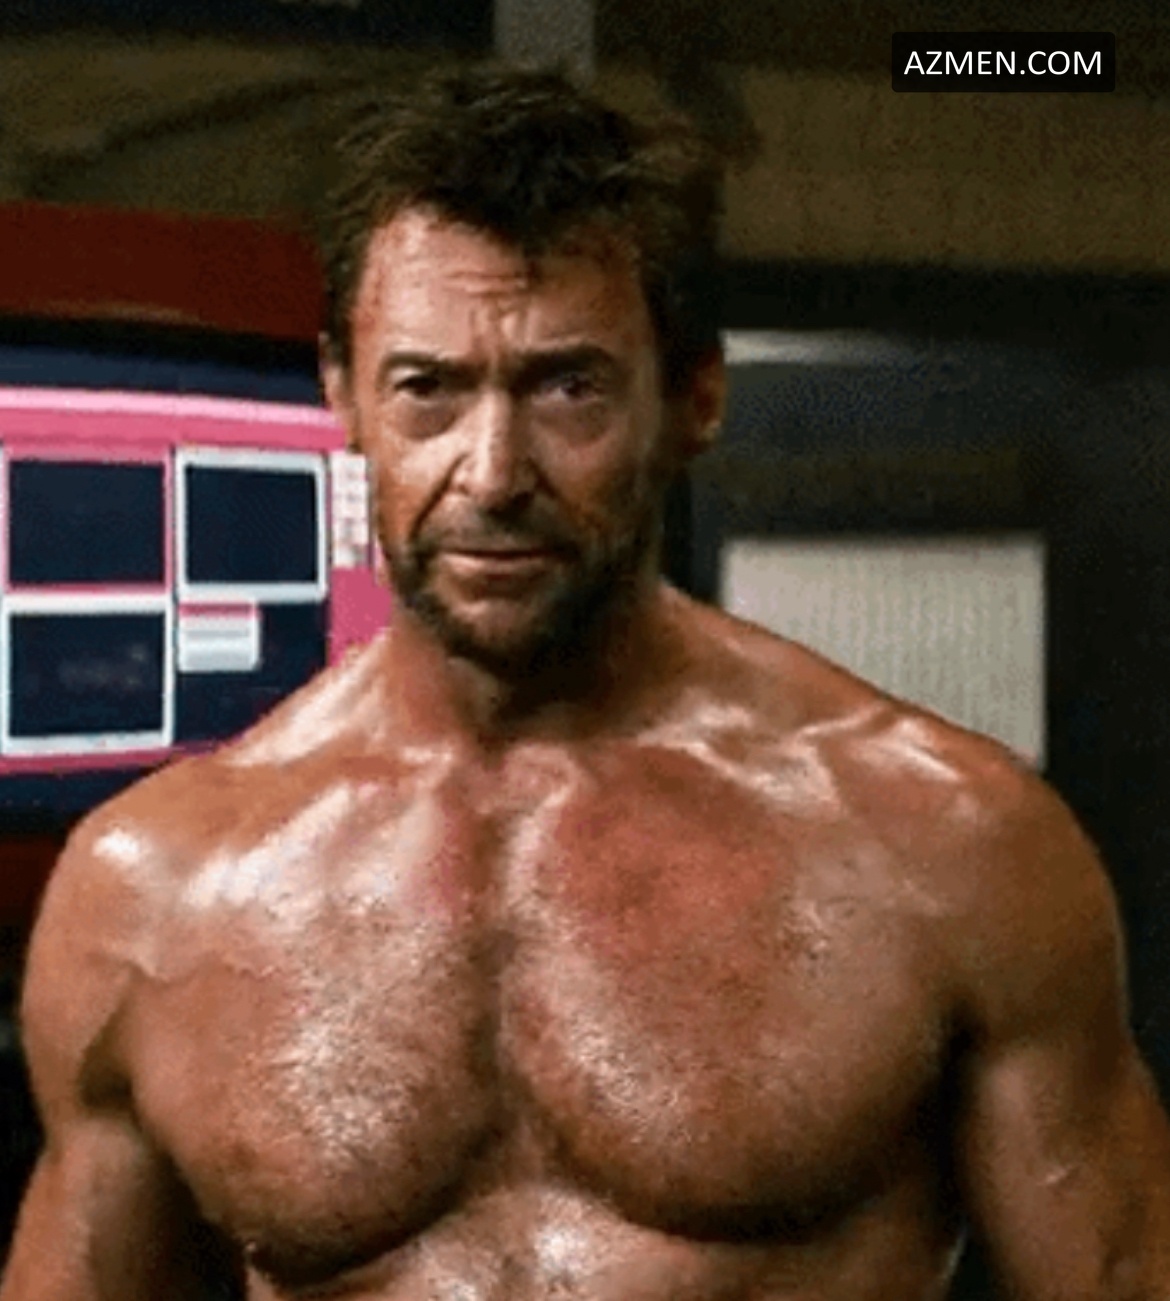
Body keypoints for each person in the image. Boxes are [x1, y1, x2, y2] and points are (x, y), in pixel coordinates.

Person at [3, 65, 1170, 1301]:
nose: (492, 471)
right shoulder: (153, 892)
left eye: (568, 386)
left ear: (694, 398)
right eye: (428, 388)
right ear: (344, 395)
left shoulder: (945, 844)